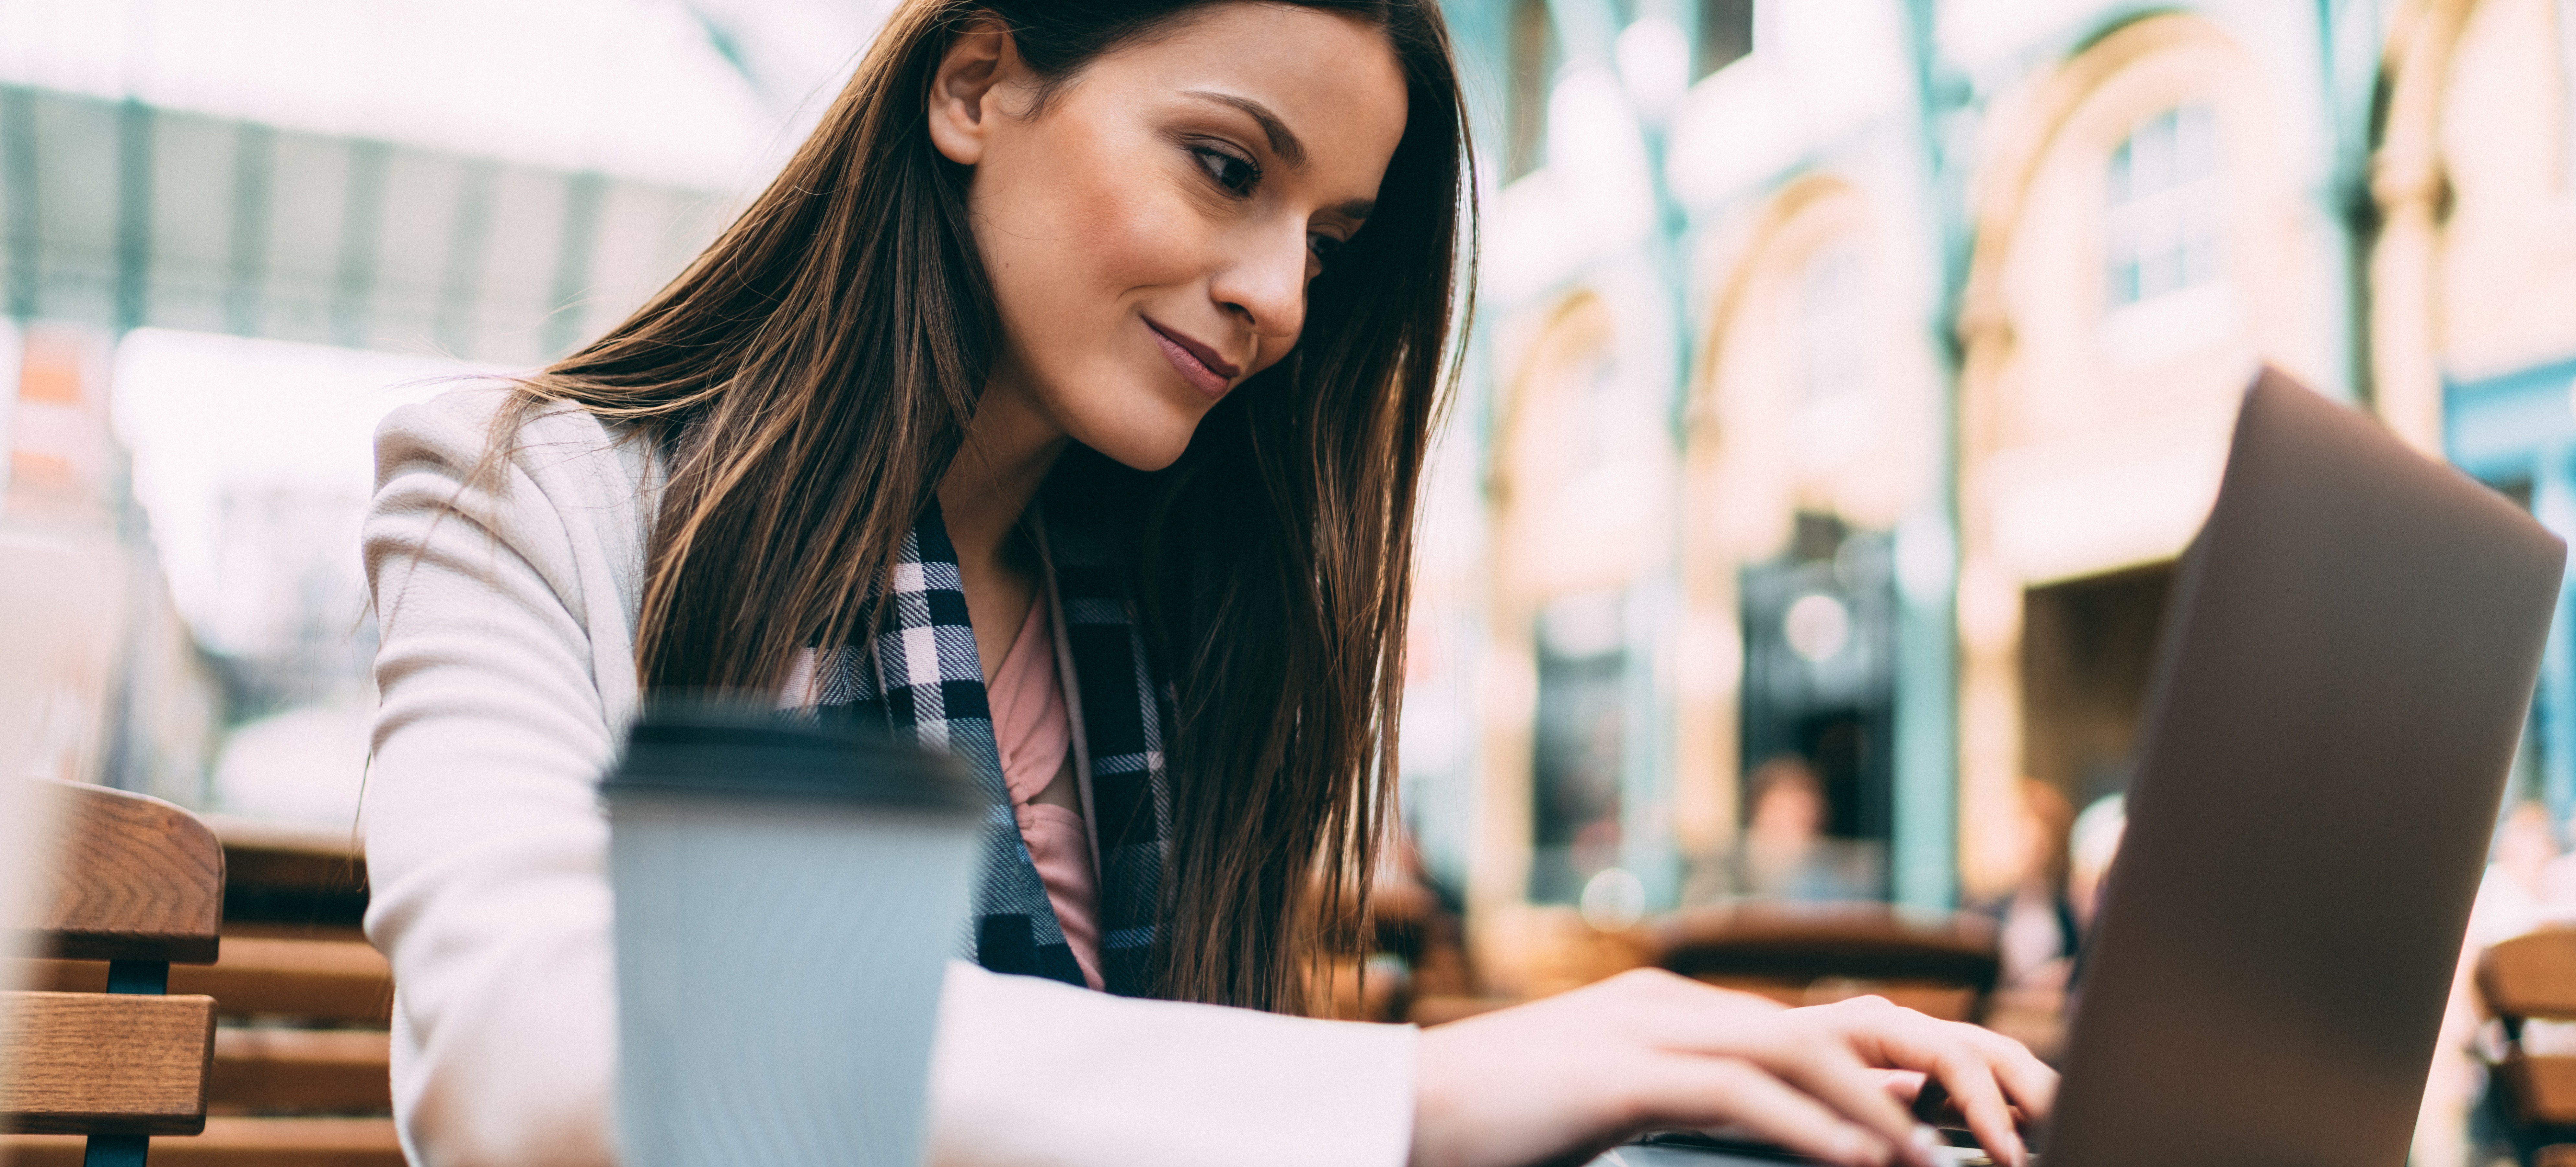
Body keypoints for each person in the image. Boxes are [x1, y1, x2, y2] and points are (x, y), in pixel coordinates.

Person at [360, 4, 2055, 1166]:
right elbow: (543, 1059)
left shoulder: (1204, 612)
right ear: (973, 86)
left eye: (1326, 241)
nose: (1280, 300)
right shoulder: (525, 500)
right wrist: (1425, 1091)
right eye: (1231, 167)